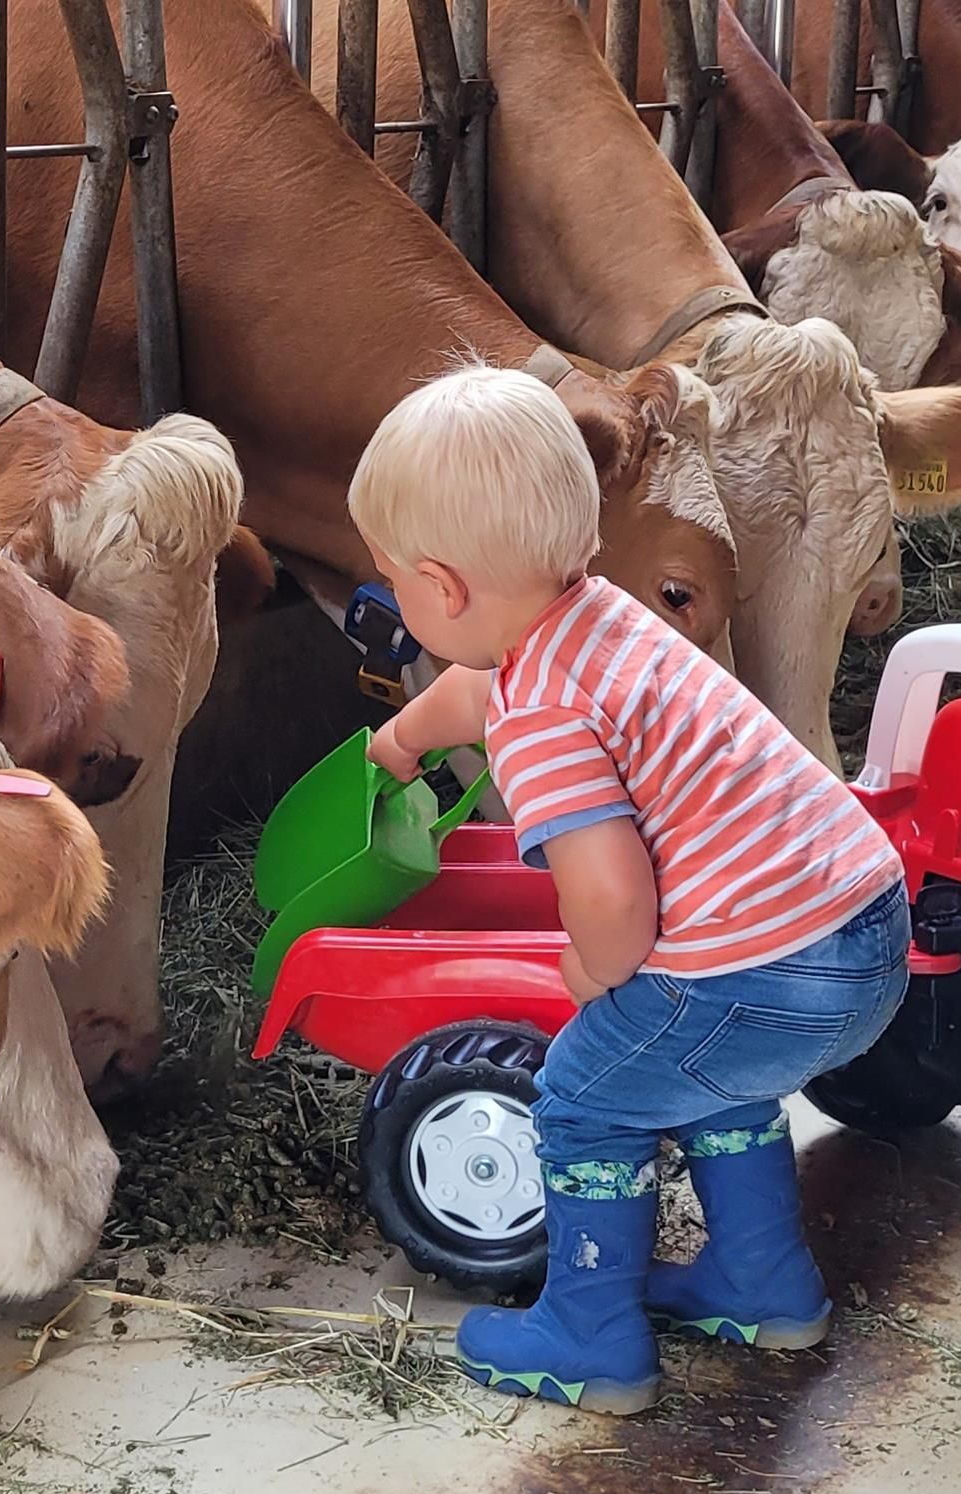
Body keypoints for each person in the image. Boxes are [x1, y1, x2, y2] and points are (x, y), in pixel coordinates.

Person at [351, 365, 910, 1415]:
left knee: (584, 1094)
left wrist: (593, 969)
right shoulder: (593, 614)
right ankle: (761, 1285)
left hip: (767, 966)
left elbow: (610, 896)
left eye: (395, 582)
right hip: (860, 927)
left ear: (442, 587)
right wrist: (403, 736)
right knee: (709, 1075)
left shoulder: (543, 719)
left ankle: (590, 1337)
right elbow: (484, 682)